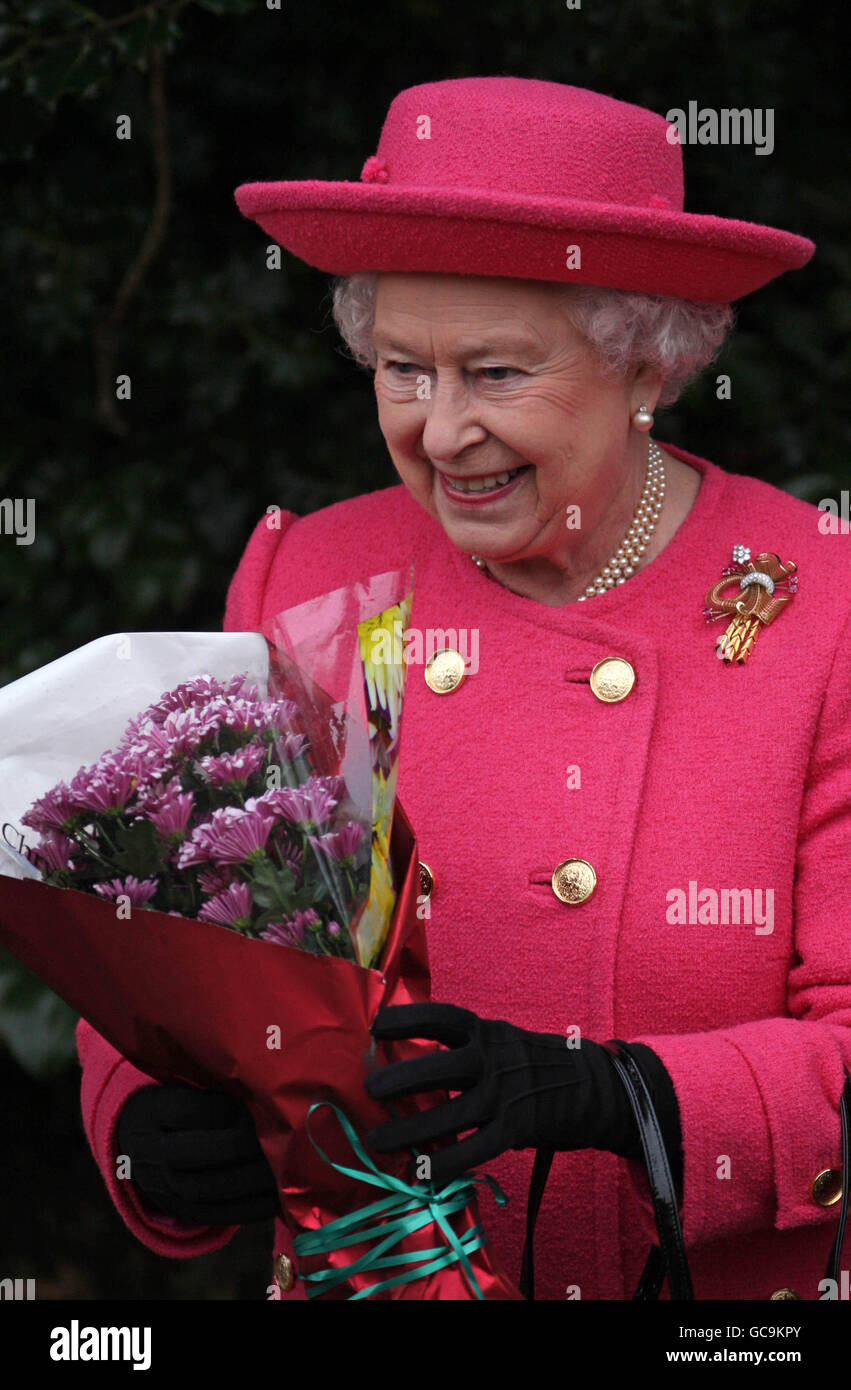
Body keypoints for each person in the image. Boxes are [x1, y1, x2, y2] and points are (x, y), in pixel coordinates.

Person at [76, 76, 851, 1301]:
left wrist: (628, 1094)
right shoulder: (311, 574)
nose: (439, 435)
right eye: (402, 370)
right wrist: (146, 1123)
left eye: (493, 373)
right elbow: (188, 942)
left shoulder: (819, 601)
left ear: (644, 359)